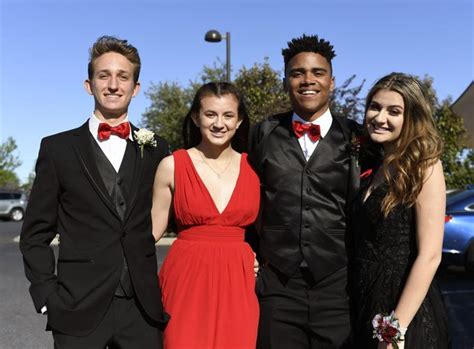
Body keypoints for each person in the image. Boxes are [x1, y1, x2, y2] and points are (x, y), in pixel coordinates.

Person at [19, 36, 169, 348]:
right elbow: (35, 233)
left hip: (141, 311)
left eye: (123, 77)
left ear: (135, 88)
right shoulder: (57, 149)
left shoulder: (157, 148)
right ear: (89, 85)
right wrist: (47, 295)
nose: (113, 85)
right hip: (77, 309)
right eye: (104, 76)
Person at [248, 34, 361, 348]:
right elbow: (242, 196)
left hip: (339, 284)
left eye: (317, 73)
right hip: (277, 286)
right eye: (297, 73)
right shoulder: (262, 133)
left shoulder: (357, 135)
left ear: (332, 82)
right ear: (286, 82)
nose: (307, 80)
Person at [151, 82, 260, 349]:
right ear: (196, 117)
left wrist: (264, 260)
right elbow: (150, 231)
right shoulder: (172, 166)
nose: (219, 123)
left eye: (228, 115)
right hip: (185, 279)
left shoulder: (256, 166)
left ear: (240, 120)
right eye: (210, 114)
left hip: (240, 280)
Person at [350, 72, 449, 348]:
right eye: (375, 107)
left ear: (412, 118)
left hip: (403, 308)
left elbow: (430, 256)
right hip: (366, 301)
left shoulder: (425, 165)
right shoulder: (377, 166)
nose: (380, 118)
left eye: (394, 111)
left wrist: (394, 330)